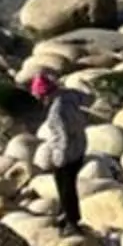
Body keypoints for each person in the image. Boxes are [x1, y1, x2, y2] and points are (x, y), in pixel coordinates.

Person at [28, 69, 87, 227]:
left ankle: (71, 221)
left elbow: (62, 137)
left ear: (45, 95)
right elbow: (88, 98)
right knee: (68, 184)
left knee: (65, 186)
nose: (40, 101)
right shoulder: (69, 97)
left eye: (39, 97)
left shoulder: (56, 112)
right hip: (80, 145)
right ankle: (66, 214)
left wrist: (58, 159)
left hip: (67, 153)